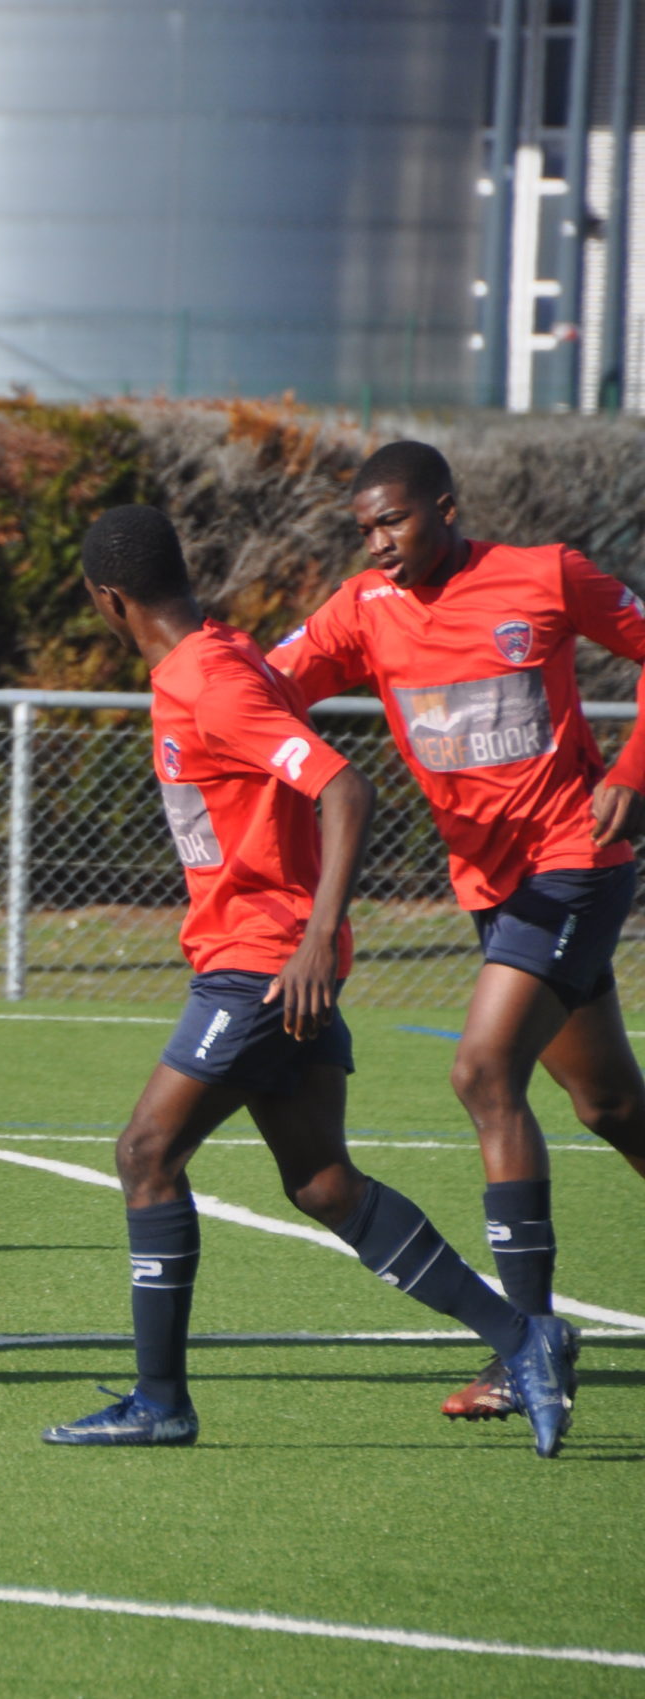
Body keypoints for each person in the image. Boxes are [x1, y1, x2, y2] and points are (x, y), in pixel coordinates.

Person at [48, 504, 574, 1455]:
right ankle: (524, 1339)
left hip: (262, 966)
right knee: (325, 1184)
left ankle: (160, 1400)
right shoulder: (221, 658)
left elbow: (344, 787)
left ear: (109, 600)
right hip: (270, 961)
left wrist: (314, 940)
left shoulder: (209, 681)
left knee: (145, 1155)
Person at [268, 441, 644, 1425]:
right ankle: (528, 1344)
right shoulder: (364, 605)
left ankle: (528, 1344)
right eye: (364, 529)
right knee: (607, 1104)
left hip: (576, 863)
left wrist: (633, 771)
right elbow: (273, 683)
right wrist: (204, 679)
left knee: (482, 1073)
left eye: (392, 520)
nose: (378, 542)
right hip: (493, 890)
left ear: (444, 504)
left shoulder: (543, 573)